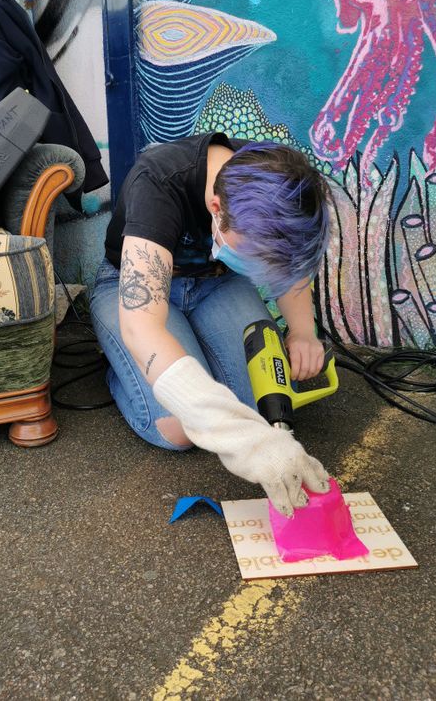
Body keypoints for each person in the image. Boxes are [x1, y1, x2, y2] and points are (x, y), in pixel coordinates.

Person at [90, 132, 333, 516]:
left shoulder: (276, 176)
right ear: (216, 208)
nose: (265, 271)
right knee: (181, 427)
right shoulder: (158, 181)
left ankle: (185, 352)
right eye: (256, 256)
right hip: (135, 294)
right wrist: (249, 443)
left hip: (218, 283)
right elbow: (144, 326)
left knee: (266, 407)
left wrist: (303, 332)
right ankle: (121, 367)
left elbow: (288, 259)